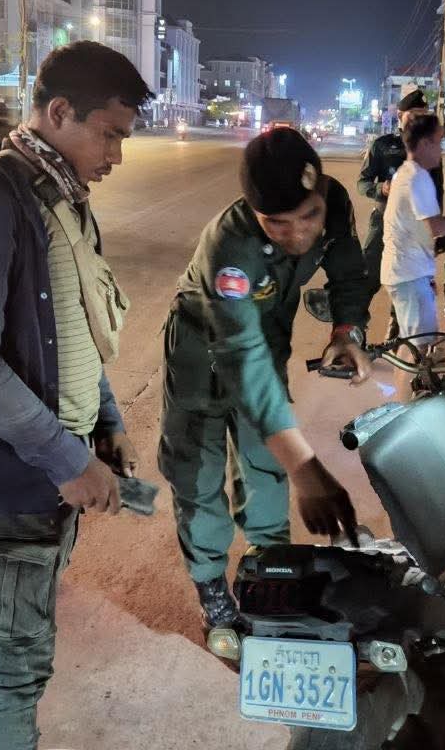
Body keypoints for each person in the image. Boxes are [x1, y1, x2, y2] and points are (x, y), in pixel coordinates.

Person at [0, 41, 150, 749]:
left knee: (12, 651)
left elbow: (74, 328)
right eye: (108, 134)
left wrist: (105, 421)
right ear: (60, 111)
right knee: (13, 667)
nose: (116, 155)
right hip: (8, 483)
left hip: (48, 472)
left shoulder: (61, 200)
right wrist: (68, 460)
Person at [159, 127, 373, 629]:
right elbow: (241, 355)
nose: (298, 234)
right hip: (202, 355)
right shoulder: (230, 246)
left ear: (323, 194)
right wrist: (308, 469)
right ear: (254, 213)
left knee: (266, 463)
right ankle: (212, 585)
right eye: (277, 223)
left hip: (267, 341)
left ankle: (269, 567)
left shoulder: (335, 204)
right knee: (199, 474)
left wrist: (347, 332)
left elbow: (348, 272)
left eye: (309, 216)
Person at [358, 88, 445, 338]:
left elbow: (437, 192)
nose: (419, 119)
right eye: (414, 114)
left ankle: (396, 332)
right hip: (383, 223)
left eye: (423, 114)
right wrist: (380, 188)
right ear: (400, 115)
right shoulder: (382, 145)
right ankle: (355, 329)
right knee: (367, 277)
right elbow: (362, 182)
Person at [381, 113, 445, 343]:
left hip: (408, 273)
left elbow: (418, 230)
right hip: (408, 274)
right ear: (425, 143)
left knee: (413, 345)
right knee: (421, 348)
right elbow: (435, 227)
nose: (441, 150)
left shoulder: (406, 173)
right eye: (438, 142)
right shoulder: (417, 177)